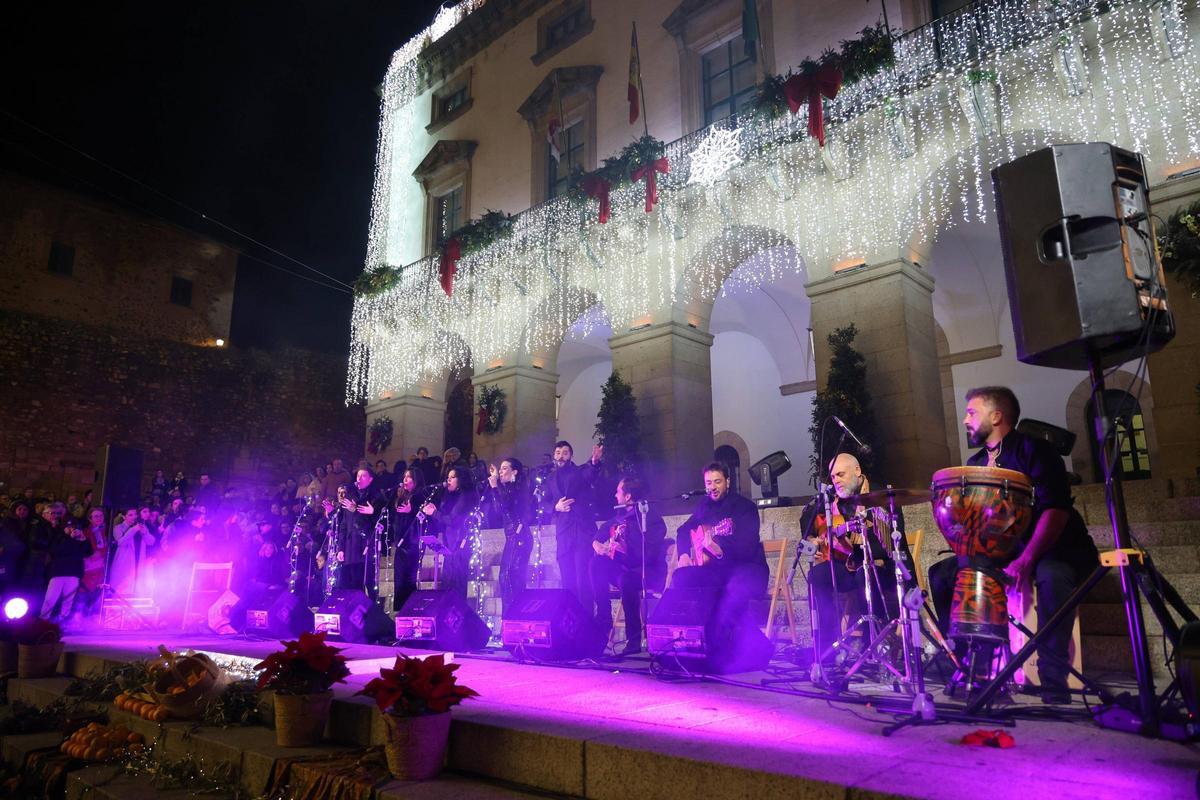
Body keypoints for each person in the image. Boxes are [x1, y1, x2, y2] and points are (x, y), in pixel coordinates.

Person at [928, 386, 1099, 704]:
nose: (965, 419)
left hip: (1056, 546)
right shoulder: (976, 463)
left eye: (971, 412)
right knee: (942, 574)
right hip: (1005, 551)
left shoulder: (1035, 451)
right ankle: (966, 663)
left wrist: (1027, 559)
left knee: (1053, 576)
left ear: (996, 416)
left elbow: (1056, 510)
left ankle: (1053, 679)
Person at [801, 453, 906, 671]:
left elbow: (893, 543)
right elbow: (806, 518)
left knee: (864, 573)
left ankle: (874, 646)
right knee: (817, 575)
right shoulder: (834, 499)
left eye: (840, 474)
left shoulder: (881, 496)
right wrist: (814, 539)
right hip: (850, 565)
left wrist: (856, 541)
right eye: (832, 477)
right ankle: (826, 650)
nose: (836, 481)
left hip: (881, 567)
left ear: (857, 471)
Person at [673, 462, 769, 630]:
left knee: (732, 588)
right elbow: (683, 530)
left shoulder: (745, 507)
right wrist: (684, 554)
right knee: (681, 576)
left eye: (717, 482)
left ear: (728, 482)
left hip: (748, 568)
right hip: (717, 570)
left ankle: (736, 637)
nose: (713, 487)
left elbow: (745, 547)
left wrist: (720, 551)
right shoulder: (704, 506)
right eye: (709, 483)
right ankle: (698, 632)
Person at [590, 475, 666, 656]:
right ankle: (604, 618)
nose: (615, 495)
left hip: (648, 570)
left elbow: (649, 554)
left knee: (627, 580)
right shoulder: (620, 517)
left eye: (618, 491)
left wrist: (625, 548)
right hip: (626, 569)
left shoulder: (650, 517)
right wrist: (597, 544)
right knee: (596, 563)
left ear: (628, 496)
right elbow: (601, 532)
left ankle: (634, 640)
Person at [545, 441, 603, 614]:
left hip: (582, 530)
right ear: (554, 456)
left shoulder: (579, 471)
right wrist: (555, 507)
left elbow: (590, 474)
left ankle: (586, 619)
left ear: (571, 455)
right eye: (558, 452)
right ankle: (571, 618)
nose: (561, 456)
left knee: (582, 578)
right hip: (563, 532)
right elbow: (543, 502)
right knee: (567, 578)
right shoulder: (550, 478)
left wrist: (594, 462)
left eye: (565, 452)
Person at [420, 465, 478, 596]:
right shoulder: (451, 497)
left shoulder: (465, 497)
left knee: (457, 587)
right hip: (450, 547)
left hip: (459, 546)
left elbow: (453, 520)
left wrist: (434, 513)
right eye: (448, 477)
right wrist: (435, 511)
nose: (449, 480)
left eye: (453, 477)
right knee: (446, 586)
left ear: (461, 480)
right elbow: (444, 520)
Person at [486, 457, 535, 608]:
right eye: (500, 468)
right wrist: (495, 486)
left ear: (515, 472)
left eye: (505, 468)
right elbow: (497, 510)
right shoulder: (506, 488)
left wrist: (495, 486)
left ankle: (513, 616)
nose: (500, 471)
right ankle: (510, 617)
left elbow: (505, 505)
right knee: (507, 578)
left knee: (508, 577)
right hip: (512, 537)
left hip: (520, 536)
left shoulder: (518, 488)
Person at [331, 467, 387, 593]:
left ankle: (372, 605)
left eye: (363, 476)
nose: (359, 478)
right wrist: (341, 548)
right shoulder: (351, 496)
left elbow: (378, 522)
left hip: (366, 545)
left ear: (370, 479)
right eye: (358, 476)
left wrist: (365, 511)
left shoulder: (376, 496)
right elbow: (344, 525)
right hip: (351, 547)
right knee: (352, 585)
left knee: (369, 583)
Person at [390, 467, 429, 611]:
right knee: (399, 579)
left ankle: (411, 611)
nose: (405, 480)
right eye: (404, 477)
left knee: (409, 579)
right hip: (401, 543)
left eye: (409, 477)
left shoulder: (421, 496)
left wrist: (411, 511)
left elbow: (425, 519)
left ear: (416, 480)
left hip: (413, 543)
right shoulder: (402, 496)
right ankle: (399, 612)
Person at [41, 515, 93, 623]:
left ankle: (63, 620)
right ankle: (43, 619)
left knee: (68, 599)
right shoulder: (58, 537)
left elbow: (88, 552)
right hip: (58, 572)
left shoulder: (80, 538)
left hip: (74, 572)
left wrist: (83, 539)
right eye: (68, 527)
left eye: (73, 527)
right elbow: (57, 551)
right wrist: (68, 537)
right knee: (50, 598)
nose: (71, 529)